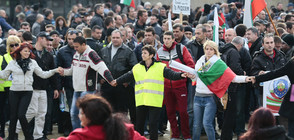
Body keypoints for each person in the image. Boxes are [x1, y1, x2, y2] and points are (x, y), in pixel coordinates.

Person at [115, 45, 192, 140]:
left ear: (151, 55)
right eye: (142, 53)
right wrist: (116, 81)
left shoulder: (160, 67)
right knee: (140, 125)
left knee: (153, 125)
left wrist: (181, 75)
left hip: (154, 101)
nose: (142, 55)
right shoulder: (137, 67)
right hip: (141, 100)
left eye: (145, 53)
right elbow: (127, 76)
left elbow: (171, 75)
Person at [192, 40, 252, 140]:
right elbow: (196, 77)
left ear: (215, 51)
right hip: (197, 96)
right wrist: (191, 76)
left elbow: (232, 77)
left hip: (210, 98)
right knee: (196, 125)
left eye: (211, 49)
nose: (208, 51)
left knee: (207, 124)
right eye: (207, 49)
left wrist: (246, 79)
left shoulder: (219, 64)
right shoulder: (199, 61)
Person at [0, 43, 60, 140]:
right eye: (25, 51)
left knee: (21, 114)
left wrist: (54, 71)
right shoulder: (12, 63)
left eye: (29, 51)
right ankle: (11, 137)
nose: (28, 53)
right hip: (14, 91)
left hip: (27, 92)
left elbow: (43, 74)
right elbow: (4, 75)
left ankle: (28, 137)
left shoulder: (33, 62)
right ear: (20, 52)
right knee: (13, 116)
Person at [59, 36, 115, 130]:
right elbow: (73, 69)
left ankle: (87, 134)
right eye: (74, 47)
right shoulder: (76, 54)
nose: (75, 49)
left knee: (86, 116)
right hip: (77, 89)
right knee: (73, 114)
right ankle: (78, 135)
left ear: (84, 44)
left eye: (77, 46)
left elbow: (102, 67)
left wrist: (110, 80)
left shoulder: (91, 54)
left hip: (88, 90)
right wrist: (64, 72)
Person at [53, 94, 146, 140]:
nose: (79, 116)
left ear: (91, 116)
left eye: (82, 113)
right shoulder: (124, 128)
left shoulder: (81, 136)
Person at [253, 57, 294, 139]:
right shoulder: (292, 63)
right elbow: (276, 73)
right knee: (292, 129)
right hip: (293, 98)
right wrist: (257, 78)